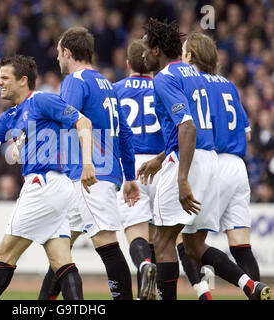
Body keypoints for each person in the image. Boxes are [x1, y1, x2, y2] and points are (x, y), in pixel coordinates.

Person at [138, 18, 270, 300]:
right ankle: (249, 284)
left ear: (158, 50)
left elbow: (187, 126)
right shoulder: (204, 78)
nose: (142, 55)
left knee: (162, 242)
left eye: (146, 49)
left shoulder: (164, 78)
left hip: (188, 161)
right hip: (212, 160)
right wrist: (161, 158)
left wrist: (182, 177)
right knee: (195, 247)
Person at [0, 54, 95, 300]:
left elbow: (84, 122)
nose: (0, 83)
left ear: (23, 80)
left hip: (44, 184)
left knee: (5, 254)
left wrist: (88, 163)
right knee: (61, 260)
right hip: (54, 188)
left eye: (5, 78)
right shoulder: (11, 115)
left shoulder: (42, 100)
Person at [38, 26, 140, 300]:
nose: (58, 59)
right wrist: (129, 177)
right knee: (61, 249)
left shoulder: (74, 80)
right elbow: (126, 134)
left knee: (106, 244)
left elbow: (64, 123)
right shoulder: (106, 82)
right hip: (101, 170)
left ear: (68, 52)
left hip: (90, 173)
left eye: (59, 53)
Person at [182, 32, 262, 283]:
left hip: (213, 164)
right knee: (241, 245)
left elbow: (192, 129)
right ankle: (257, 291)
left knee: (189, 242)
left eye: (184, 51)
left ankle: (205, 291)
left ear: (191, 55)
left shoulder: (195, 84)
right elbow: (247, 134)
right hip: (238, 166)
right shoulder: (228, 84)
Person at [113, 39, 161, 300]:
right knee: (160, 240)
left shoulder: (115, 89)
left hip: (131, 166)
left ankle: (144, 267)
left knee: (136, 235)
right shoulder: (163, 87)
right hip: (162, 164)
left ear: (128, 63)